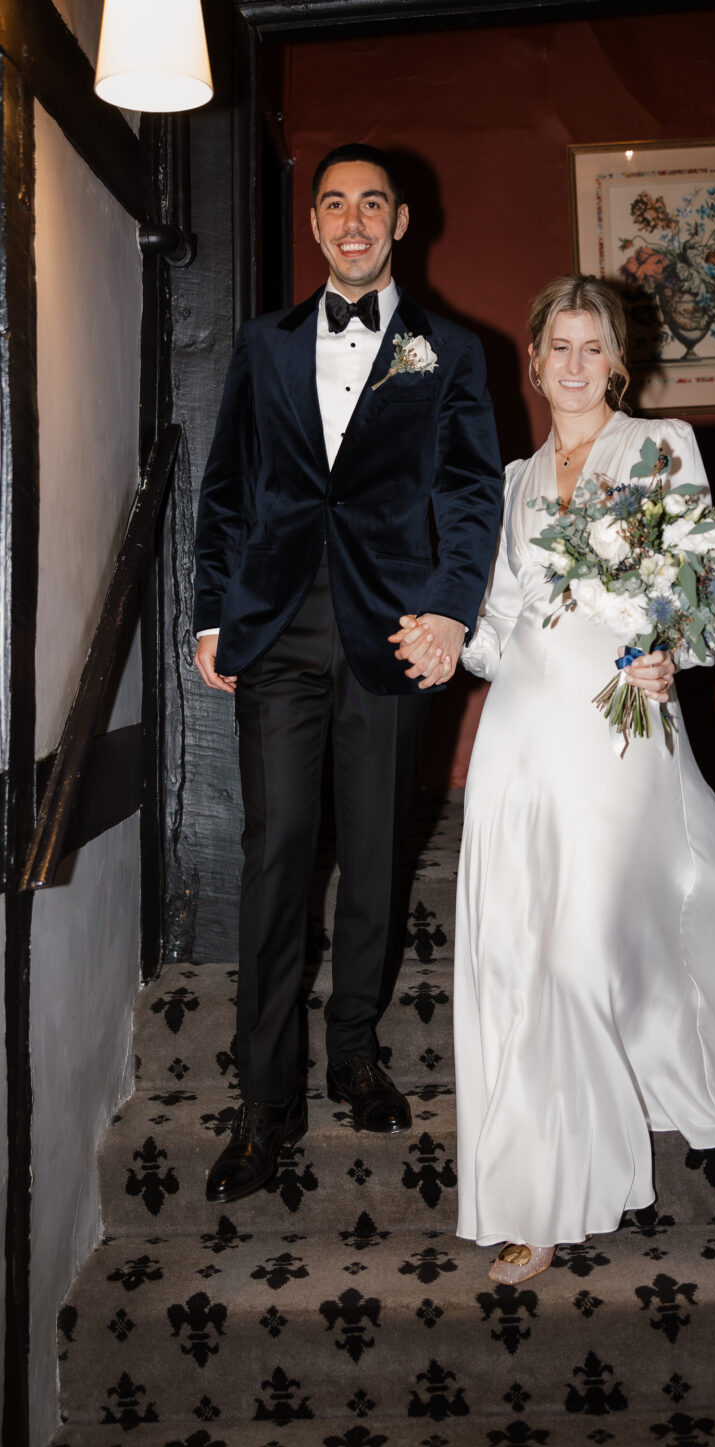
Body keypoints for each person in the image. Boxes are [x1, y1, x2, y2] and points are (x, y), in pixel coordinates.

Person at [453, 275, 715, 1283]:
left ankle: (616, 1108)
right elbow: (500, 618)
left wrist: (673, 651)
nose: (571, 365)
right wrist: (444, 642)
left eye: (589, 347)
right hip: (520, 726)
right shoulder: (517, 477)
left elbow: (699, 578)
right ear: (533, 360)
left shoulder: (660, 450)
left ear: (617, 360)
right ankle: (538, 1197)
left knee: (584, 946)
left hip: (616, 721)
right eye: (554, 346)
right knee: (517, 948)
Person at [193, 143, 503, 1204]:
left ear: (401, 221)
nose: (353, 221)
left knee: (372, 858)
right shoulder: (263, 344)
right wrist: (206, 613)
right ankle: (264, 1102)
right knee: (277, 855)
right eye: (335, 204)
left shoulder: (449, 351)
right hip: (275, 630)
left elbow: (471, 496)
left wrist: (454, 613)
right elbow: (225, 487)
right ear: (315, 224)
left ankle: (356, 1051)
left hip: (390, 629)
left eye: (373, 203)